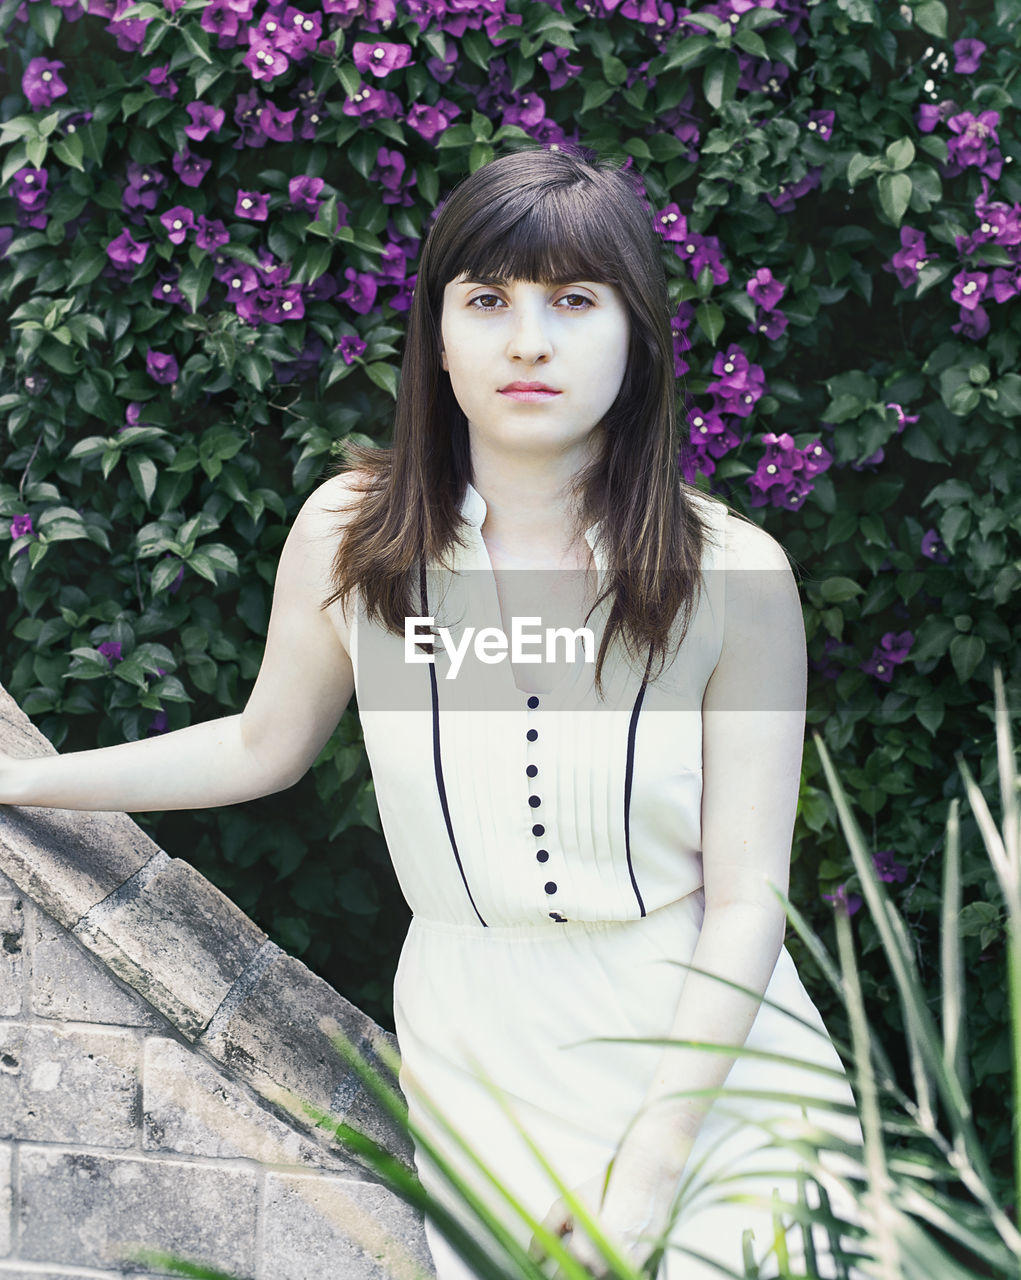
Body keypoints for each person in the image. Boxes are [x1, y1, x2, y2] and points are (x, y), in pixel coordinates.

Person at [0, 147, 862, 1279]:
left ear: (637, 334)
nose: (528, 340)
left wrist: (652, 1167)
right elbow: (261, 744)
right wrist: (18, 780)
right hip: (481, 1050)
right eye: (489, 299)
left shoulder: (732, 572)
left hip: (707, 1063)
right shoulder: (350, 537)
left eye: (573, 300)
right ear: (437, 332)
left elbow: (749, 898)